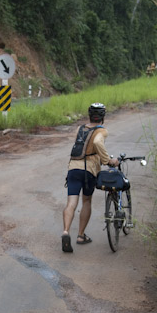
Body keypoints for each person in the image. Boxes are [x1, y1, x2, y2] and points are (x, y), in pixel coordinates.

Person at [62, 103, 118, 253]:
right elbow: (97, 142)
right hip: (89, 170)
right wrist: (107, 161)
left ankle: (66, 231)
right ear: (103, 116)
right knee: (86, 201)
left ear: (89, 115)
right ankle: (80, 235)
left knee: (71, 202)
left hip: (73, 167)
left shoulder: (80, 129)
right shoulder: (102, 130)